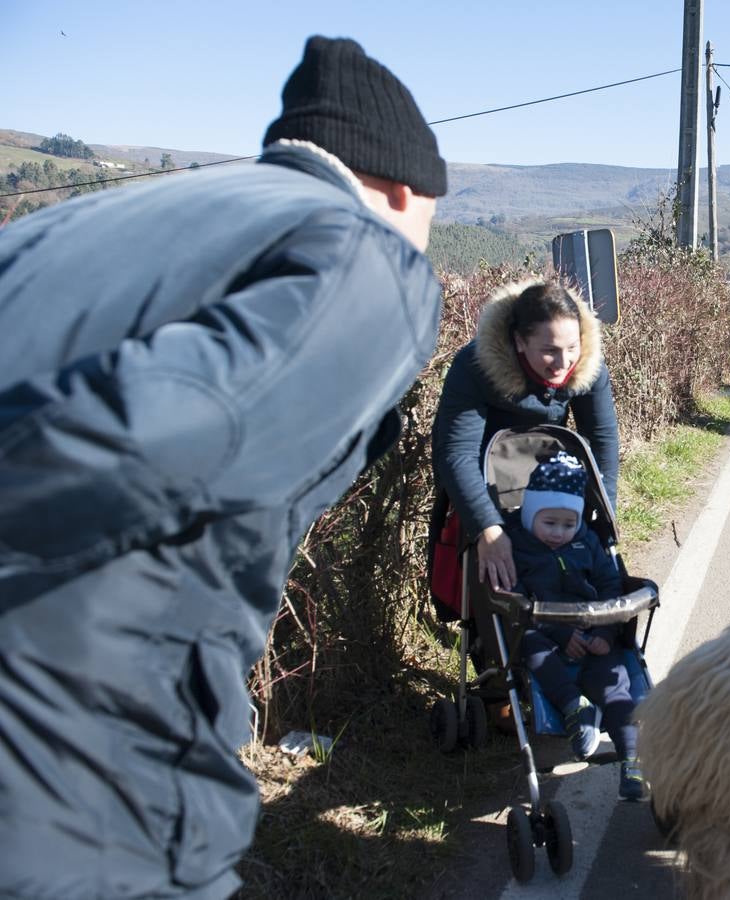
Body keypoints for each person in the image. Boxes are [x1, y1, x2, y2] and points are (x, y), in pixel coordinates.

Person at [0, 36, 447, 898]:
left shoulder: (102, 222)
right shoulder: (366, 257)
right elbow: (150, 441)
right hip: (72, 739)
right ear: (401, 190)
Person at [432, 280, 619, 596]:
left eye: (571, 348)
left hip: (549, 478)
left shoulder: (587, 365)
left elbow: (602, 440)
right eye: (549, 351)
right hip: (485, 481)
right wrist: (487, 528)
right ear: (519, 341)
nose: (563, 364)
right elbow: (457, 452)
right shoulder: (474, 366)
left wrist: (605, 517)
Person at [508, 452, 644, 800]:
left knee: (617, 690)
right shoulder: (519, 549)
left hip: (595, 633)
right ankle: (575, 709)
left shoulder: (588, 543)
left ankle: (631, 761)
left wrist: (604, 632)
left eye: (568, 524)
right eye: (549, 523)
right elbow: (518, 596)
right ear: (530, 514)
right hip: (548, 634)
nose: (558, 533)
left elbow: (611, 585)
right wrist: (562, 632)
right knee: (531, 647)